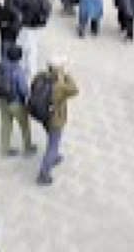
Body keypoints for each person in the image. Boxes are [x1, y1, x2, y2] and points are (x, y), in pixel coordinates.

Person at [36, 55, 79, 186]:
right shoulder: (60, 86)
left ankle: (54, 157)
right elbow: (75, 90)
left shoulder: (40, 76)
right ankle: (44, 174)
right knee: (53, 145)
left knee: (51, 137)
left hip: (43, 115)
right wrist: (67, 76)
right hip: (56, 118)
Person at [0, 43, 35, 157]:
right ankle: (28, 148)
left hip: (2, 100)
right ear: (19, 57)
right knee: (24, 126)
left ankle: (5, 149)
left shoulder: (0, 66)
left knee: (6, 124)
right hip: (15, 102)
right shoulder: (18, 71)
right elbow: (23, 90)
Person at [17, 0, 50, 81]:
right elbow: (47, 8)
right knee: (33, 48)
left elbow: (18, 4)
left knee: (24, 47)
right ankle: (32, 71)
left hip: (26, 24)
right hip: (36, 25)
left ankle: (24, 70)